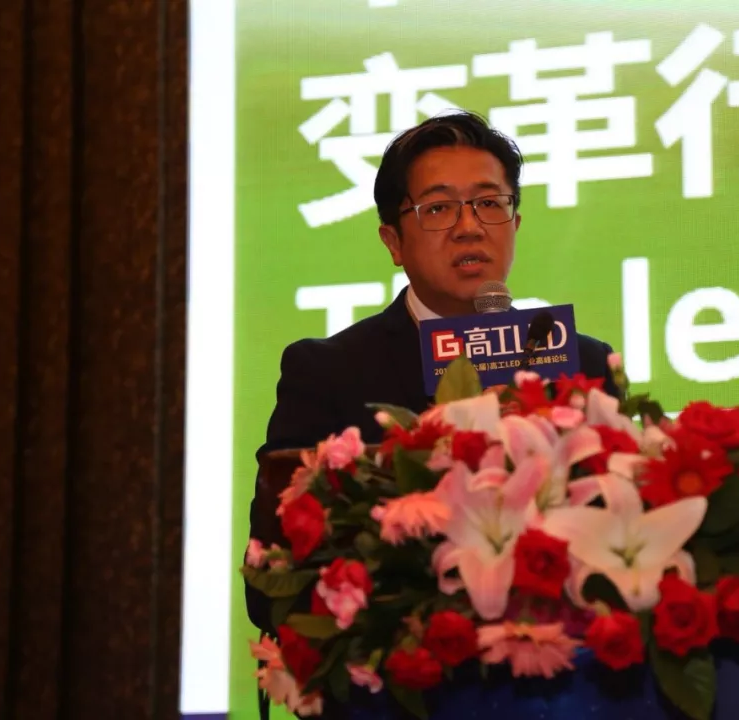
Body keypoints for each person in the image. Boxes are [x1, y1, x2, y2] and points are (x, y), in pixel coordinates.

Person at [244, 109, 621, 675]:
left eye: (489, 203)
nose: (470, 227)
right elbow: (271, 577)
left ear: (515, 225)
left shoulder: (582, 362)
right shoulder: (328, 372)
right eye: (439, 208)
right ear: (393, 241)